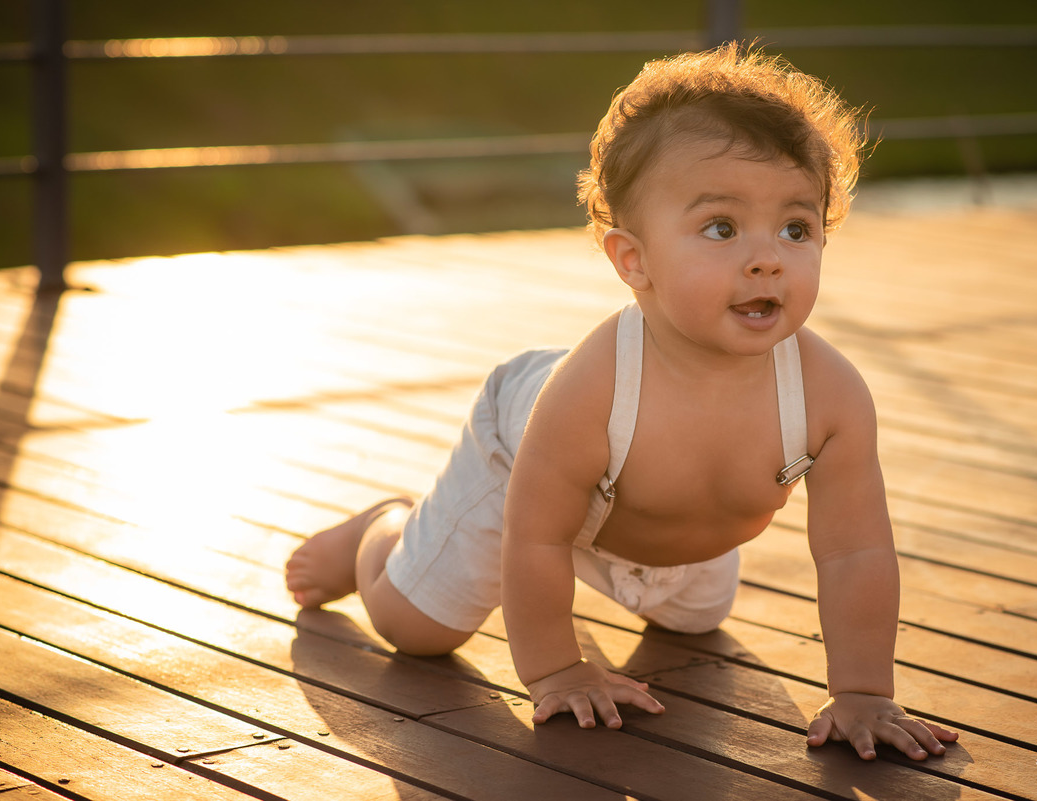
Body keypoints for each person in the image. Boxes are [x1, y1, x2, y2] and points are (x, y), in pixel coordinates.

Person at [286, 43, 959, 762]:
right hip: (530, 463)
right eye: (722, 229)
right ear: (633, 261)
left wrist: (862, 689)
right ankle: (376, 533)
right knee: (417, 626)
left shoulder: (829, 394)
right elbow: (537, 536)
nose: (766, 257)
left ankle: (620, 570)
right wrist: (555, 668)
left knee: (697, 619)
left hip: (660, 520)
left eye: (796, 228)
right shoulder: (591, 388)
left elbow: (855, 549)